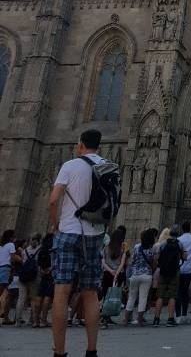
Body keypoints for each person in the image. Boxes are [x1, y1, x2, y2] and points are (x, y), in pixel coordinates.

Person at [48, 128, 107, 357]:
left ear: (81, 144)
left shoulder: (71, 165)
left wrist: (56, 225)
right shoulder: (107, 166)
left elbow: (53, 200)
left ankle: (59, 352)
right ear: (99, 146)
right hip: (94, 235)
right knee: (90, 293)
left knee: (61, 292)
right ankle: (91, 351)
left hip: (69, 231)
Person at [124, 228, 158, 326]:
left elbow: (133, 260)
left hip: (135, 274)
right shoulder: (152, 249)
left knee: (131, 297)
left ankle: (126, 319)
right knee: (143, 297)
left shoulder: (137, 247)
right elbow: (154, 262)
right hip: (147, 274)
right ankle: (139, 320)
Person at [153, 224, 185, 326]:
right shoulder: (179, 244)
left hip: (163, 271)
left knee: (160, 296)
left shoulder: (163, 244)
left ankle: (156, 319)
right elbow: (185, 256)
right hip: (174, 271)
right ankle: (170, 319)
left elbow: (157, 257)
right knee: (172, 296)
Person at [100, 229, 127, 328]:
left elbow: (103, 261)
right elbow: (122, 263)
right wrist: (116, 273)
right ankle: (107, 317)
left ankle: (105, 317)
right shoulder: (123, 249)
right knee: (113, 296)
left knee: (105, 296)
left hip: (107, 274)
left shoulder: (106, 247)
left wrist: (110, 270)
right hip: (118, 274)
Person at [176, 220, 191, 324]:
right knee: (185, 292)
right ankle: (184, 314)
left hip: (179, 269)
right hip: (189, 269)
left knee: (178, 292)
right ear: (190, 228)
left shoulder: (178, 240)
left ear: (182, 228)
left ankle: (177, 315)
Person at [16, 233, 42, 326]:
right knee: (33, 298)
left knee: (21, 298)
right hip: (34, 277)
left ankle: (17, 320)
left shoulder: (25, 250)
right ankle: (32, 320)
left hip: (23, 276)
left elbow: (23, 261)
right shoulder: (40, 250)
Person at [33, 228, 55, 328]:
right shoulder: (53, 248)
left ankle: (35, 321)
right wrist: (50, 269)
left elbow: (38, 263)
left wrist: (41, 270)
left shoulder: (42, 249)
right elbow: (55, 262)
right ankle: (43, 320)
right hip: (51, 274)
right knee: (47, 297)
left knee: (39, 296)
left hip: (42, 274)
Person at [0, 229, 17, 323]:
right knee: (3, 293)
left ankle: (4, 316)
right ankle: (3, 316)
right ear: (11, 237)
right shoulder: (11, 245)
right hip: (5, 269)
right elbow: (13, 257)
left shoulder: (1, 245)